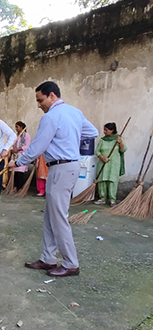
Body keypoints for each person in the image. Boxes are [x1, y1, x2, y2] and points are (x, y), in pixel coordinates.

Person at [9, 81, 98, 277]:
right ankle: (48, 258)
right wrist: (69, 134)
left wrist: (17, 163)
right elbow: (93, 132)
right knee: (51, 215)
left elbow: (37, 146)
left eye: (40, 100)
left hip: (61, 169)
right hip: (67, 167)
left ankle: (70, 263)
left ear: (51, 96)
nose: (38, 105)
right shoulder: (74, 112)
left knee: (58, 217)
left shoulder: (51, 117)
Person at [95, 122, 126, 206]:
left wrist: (120, 143)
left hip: (114, 164)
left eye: (106, 130)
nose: (104, 131)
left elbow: (123, 150)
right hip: (103, 163)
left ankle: (112, 200)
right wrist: (102, 158)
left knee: (112, 181)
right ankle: (102, 198)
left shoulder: (118, 138)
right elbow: (97, 151)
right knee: (102, 180)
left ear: (112, 130)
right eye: (104, 130)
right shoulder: (102, 140)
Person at [11, 121, 32, 190]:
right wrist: (12, 150)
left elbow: (27, 146)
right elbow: (11, 144)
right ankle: (15, 186)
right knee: (14, 172)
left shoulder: (26, 136)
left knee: (20, 172)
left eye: (17, 127)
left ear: (21, 127)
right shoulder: (15, 135)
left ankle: (20, 187)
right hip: (15, 155)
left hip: (21, 155)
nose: (16, 128)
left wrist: (19, 149)